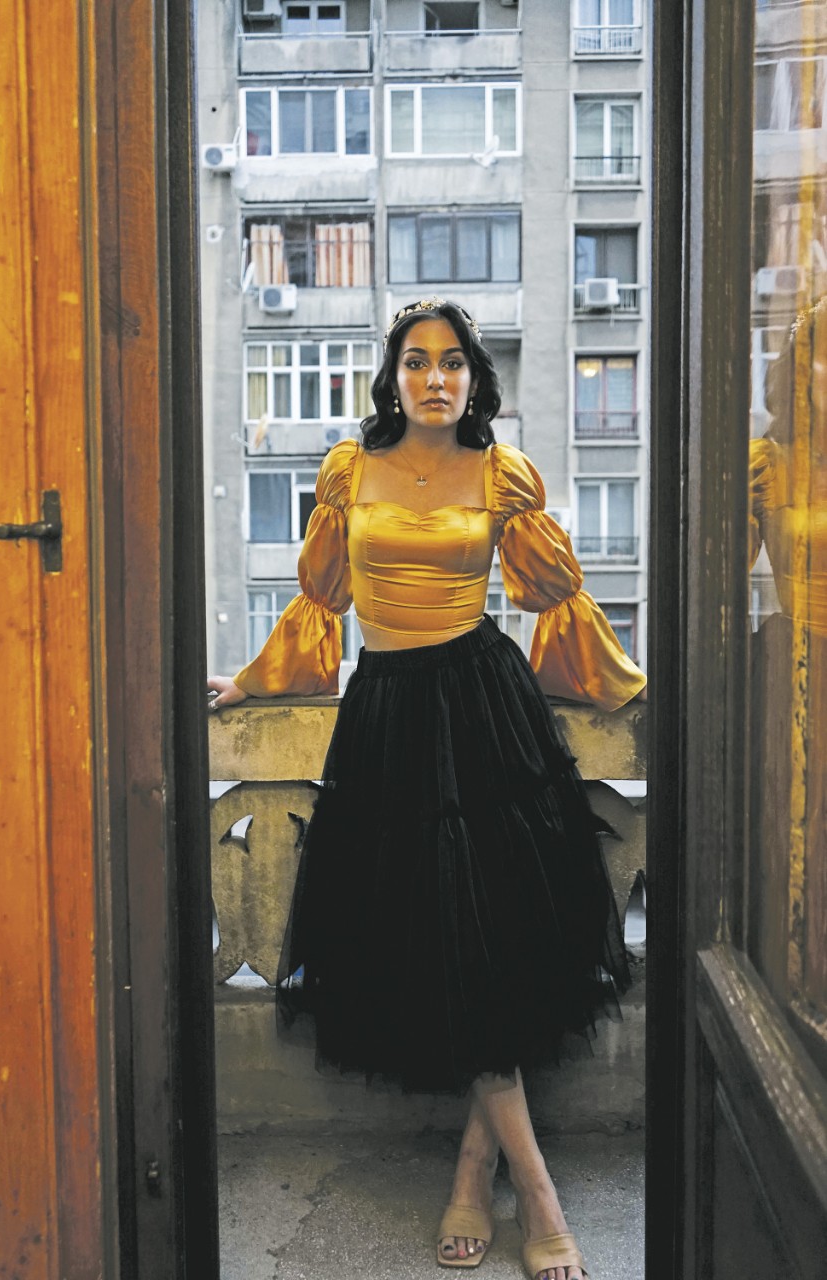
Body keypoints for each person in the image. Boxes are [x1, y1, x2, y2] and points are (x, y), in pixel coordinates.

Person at [208, 298, 647, 1280]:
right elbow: (319, 599)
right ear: (392, 376)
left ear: (474, 380)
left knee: (490, 944)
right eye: (417, 362)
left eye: (452, 363)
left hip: (484, 708)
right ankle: (493, 1172)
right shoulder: (344, 470)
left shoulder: (502, 473)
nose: (435, 378)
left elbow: (556, 598)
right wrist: (249, 680)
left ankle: (511, 1183)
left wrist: (624, 681)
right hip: (389, 717)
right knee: (440, 944)